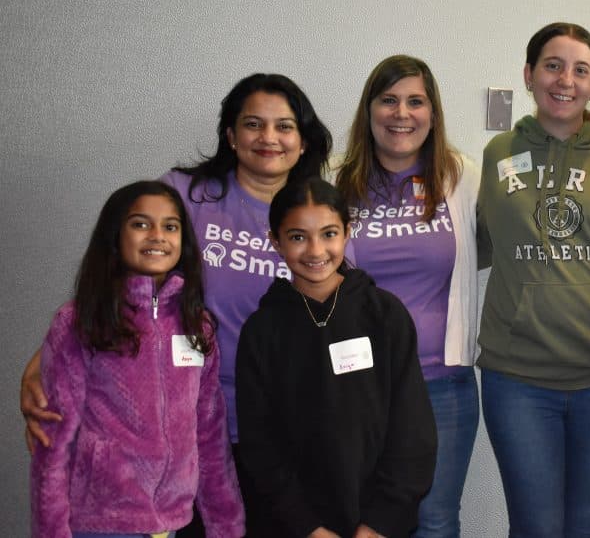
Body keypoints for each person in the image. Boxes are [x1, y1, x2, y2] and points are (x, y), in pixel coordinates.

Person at [22, 73, 333, 536]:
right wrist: (37, 369)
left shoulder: (320, 215)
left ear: (304, 141)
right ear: (231, 136)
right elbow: (117, 285)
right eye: (253, 124)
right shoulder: (188, 195)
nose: (269, 138)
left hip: (281, 429)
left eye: (284, 126)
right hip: (187, 435)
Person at [476, 22, 590, 537]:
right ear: (529, 75)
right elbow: (476, 244)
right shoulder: (498, 154)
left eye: (580, 70)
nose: (565, 80)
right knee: (535, 527)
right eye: (553, 66)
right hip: (517, 377)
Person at [30, 181, 244, 538]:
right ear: (115, 235)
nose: (157, 236)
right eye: (141, 224)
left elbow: (209, 432)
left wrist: (226, 525)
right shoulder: (81, 321)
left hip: (170, 519)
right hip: (100, 520)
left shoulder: (197, 325)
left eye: (170, 226)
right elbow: (52, 442)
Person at [235, 176, 437, 538]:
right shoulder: (262, 331)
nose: (316, 250)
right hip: (295, 526)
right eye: (298, 237)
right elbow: (260, 444)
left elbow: (412, 428)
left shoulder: (384, 314)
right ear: (275, 242)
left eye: (328, 234)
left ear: (347, 232)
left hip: (379, 523)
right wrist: (307, 526)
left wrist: (380, 522)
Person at [334, 55, 480, 538]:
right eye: (389, 100)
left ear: (433, 114)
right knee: (361, 521)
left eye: (416, 101)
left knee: (435, 522)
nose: (402, 113)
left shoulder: (461, 177)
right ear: (369, 110)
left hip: (442, 383)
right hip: (357, 386)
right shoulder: (336, 181)